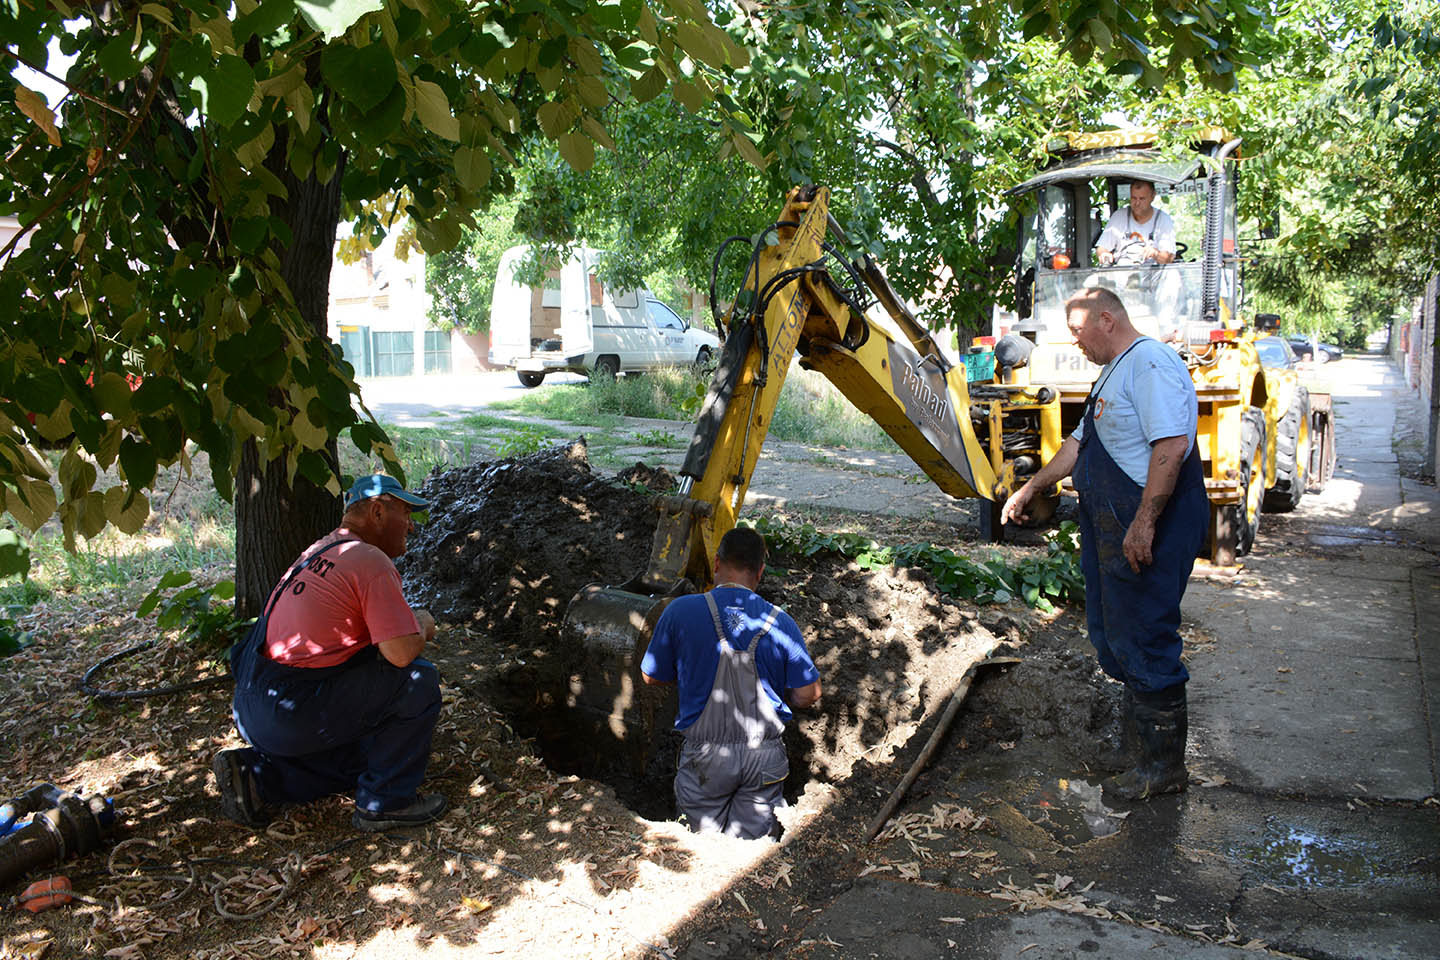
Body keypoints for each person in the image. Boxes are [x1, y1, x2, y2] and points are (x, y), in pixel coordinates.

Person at [1001, 287, 1207, 800]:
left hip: (1145, 524)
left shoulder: (1151, 363)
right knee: (1114, 633)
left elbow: (1171, 445)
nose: (1077, 343)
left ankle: (1163, 768)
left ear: (1107, 319)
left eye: (1078, 332)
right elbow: (1079, 443)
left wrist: (1144, 523)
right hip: (1112, 526)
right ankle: (1137, 749)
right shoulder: (1113, 370)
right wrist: (1034, 486)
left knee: (1146, 632)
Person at [214, 474, 447, 832]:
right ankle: (386, 804)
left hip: (256, 704)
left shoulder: (320, 551)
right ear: (378, 511)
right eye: (406, 513)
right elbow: (400, 654)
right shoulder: (368, 560)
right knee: (418, 680)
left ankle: (257, 777)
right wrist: (423, 625)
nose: (411, 528)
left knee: (373, 754)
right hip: (291, 707)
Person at [641, 527, 822, 839]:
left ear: (716, 563)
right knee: (751, 855)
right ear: (760, 572)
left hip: (706, 758)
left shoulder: (680, 611)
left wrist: (690, 671)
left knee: (699, 849)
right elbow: (809, 694)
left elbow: (651, 675)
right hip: (763, 758)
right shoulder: (781, 622)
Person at [1096, 180, 1176, 266]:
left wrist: (1155, 254)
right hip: (1121, 274)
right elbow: (1101, 248)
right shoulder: (1118, 217)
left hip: (1153, 276)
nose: (1137, 203)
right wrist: (1104, 254)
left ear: (1153, 196)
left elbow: (1169, 258)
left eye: (1142, 199)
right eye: (1134, 198)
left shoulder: (1163, 219)